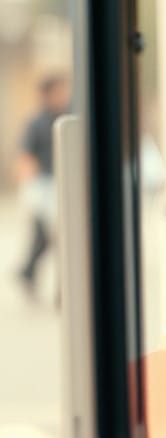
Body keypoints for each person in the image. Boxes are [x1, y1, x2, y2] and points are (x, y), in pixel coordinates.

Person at [14, 73, 69, 299]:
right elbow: (25, 157)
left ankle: (29, 273)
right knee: (54, 237)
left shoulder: (70, 115)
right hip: (45, 186)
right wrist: (31, 191)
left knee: (52, 238)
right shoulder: (36, 122)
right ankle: (58, 286)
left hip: (65, 183)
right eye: (58, 90)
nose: (63, 94)